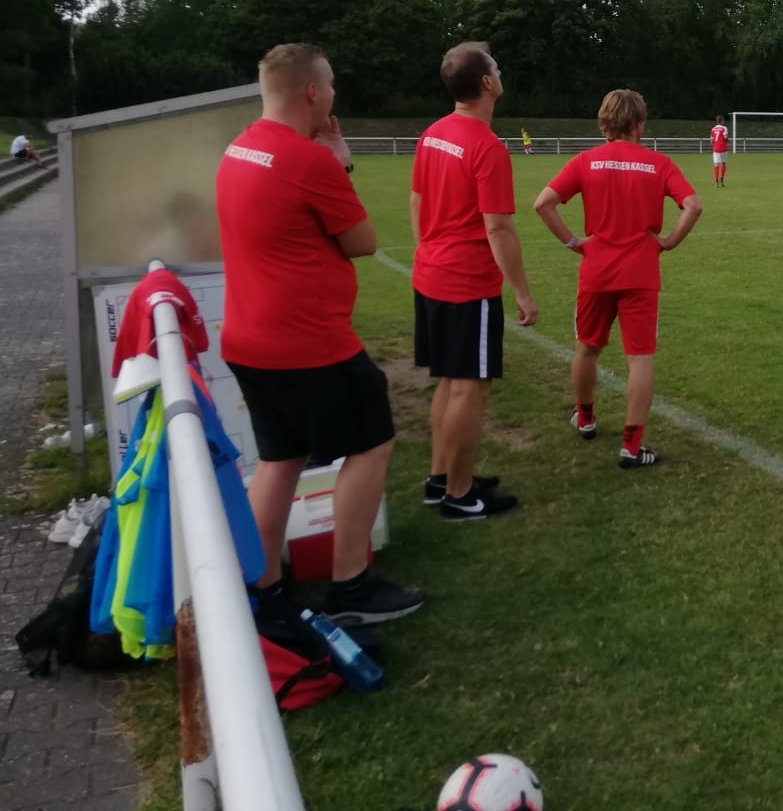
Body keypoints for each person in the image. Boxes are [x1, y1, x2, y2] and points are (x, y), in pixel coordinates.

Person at [215, 43, 422, 626]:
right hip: (307, 341)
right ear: (311, 92)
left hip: (249, 337)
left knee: (280, 458)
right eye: (329, 85)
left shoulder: (239, 147)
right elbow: (362, 241)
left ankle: (264, 589)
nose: (333, 94)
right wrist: (338, 161)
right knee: (371, 443)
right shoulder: (307, 161)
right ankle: (351, 584)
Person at [534, 90, 702, 469]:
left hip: (596, 270)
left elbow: (543, 203)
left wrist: (574, 242)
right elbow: (693, 205)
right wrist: (668, 242)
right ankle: (631, 446)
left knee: (586, 348)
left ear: (605, 123)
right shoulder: (659, 164)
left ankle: (586, 419)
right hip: (641, 273)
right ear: (639, 125)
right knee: (639, 359)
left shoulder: (586, 161)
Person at [411, 42, 538, 522]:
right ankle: (459, 496)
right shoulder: (486, 146)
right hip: (466, 284)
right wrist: (522, 292)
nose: (501, 72)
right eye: (496, 68)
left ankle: (441, 478)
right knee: (470, 388)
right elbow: (498, 228)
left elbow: (417, 201)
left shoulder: (433, 134)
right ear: (486, 83)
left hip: (432, 273)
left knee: (451, 381)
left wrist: (429, 250)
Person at [710, 115, 729, 187]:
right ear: (722, 121)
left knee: (716, 165)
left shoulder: (713, 129)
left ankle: (716, 181)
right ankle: (722, 179)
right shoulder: (724, 128)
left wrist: (715, 144)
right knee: (723, 163)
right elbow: (725, 137)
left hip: (716, 149)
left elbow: (711, 141)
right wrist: (726, 141)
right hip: (723, 148)